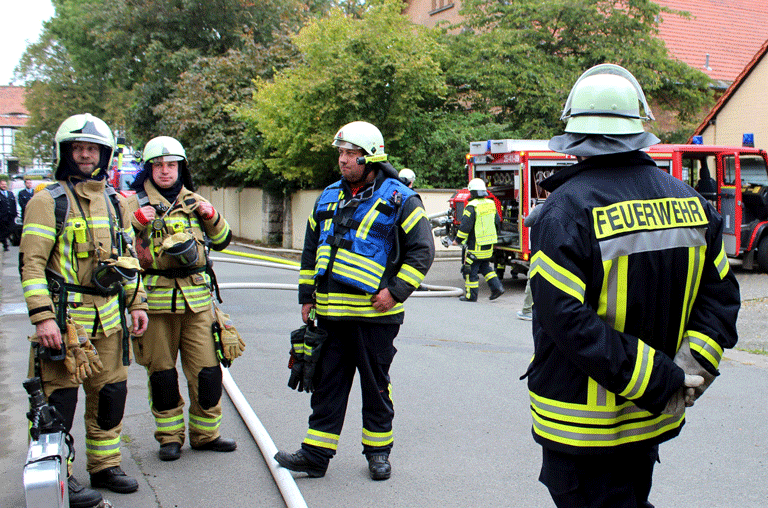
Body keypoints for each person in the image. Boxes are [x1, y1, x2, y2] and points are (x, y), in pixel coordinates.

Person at [524, 64, 740, 508]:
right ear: (640, 130)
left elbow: (563, 317)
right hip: (652, 418)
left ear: (575, 138)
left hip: (579, 426)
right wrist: (686, 373)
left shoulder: (565, 210)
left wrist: (658, 379)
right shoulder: (691, 203)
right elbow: (721, 300)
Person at [274, 121, 434, 481]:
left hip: (375, 317)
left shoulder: (399, 198)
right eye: (341, 153)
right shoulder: (329, 196)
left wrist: (395, 292)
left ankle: (378, 453)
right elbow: (311, 250)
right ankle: (315, 456)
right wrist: (306, 296)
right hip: (330, 315)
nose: (343, 160)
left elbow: (422, 251)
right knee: (326, 385)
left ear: (370, 157)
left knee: (375, 387)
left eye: (350, 154)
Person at [19, 113, 149, 508]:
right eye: (78, 148)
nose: (85, 155)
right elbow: (32, 265)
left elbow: (128, 260)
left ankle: (105, 466)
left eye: (92, 149)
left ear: (104, 155)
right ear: (66, 152)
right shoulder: (46, 202)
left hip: (109, 319)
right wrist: (43, 317)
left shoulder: (115, 203)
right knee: (58, 401)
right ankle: (60, 477)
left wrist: (137, 303)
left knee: (111, 393)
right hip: (65, 321)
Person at [125, 136, 236, 462]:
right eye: (157, 165)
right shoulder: (135, 204)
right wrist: (136, 223)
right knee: (161, 375)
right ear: (149, 168)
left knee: (207, 372)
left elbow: (224, 239)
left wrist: (212, 214)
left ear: (180, 167)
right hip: (155, 303)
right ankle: (169, 438)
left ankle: (206, 435)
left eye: (170, 165)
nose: (164, 171)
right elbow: (117, 246)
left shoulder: (195, 201)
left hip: (198, 302)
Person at [452, 178, 504, 301]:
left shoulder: (471, 207)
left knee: (470, 270)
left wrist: (457, 240)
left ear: (472, 192)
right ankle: (497, 288)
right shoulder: (491, 204)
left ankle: (471, 296)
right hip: (489, 244)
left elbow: (465, 227)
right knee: (485, 267)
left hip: (476, 245)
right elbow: (497, 222)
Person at [517, 203, 542, 321]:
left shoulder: (541, 207)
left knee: (532, 280)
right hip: (559, 252)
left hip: (541, 252)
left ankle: (526, 311)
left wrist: (533, 211)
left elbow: (527, 222)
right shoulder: (568, 205)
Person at [0, 178, 17, 251]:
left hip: (11, 215)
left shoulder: (10, 193)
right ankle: (5, 245)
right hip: (2, 216)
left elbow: (14, 204)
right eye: (2, 184)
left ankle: (1, 238)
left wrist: (15, 213)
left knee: (11, 229)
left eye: (5, 184)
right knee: (3, 230)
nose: (4, 186)